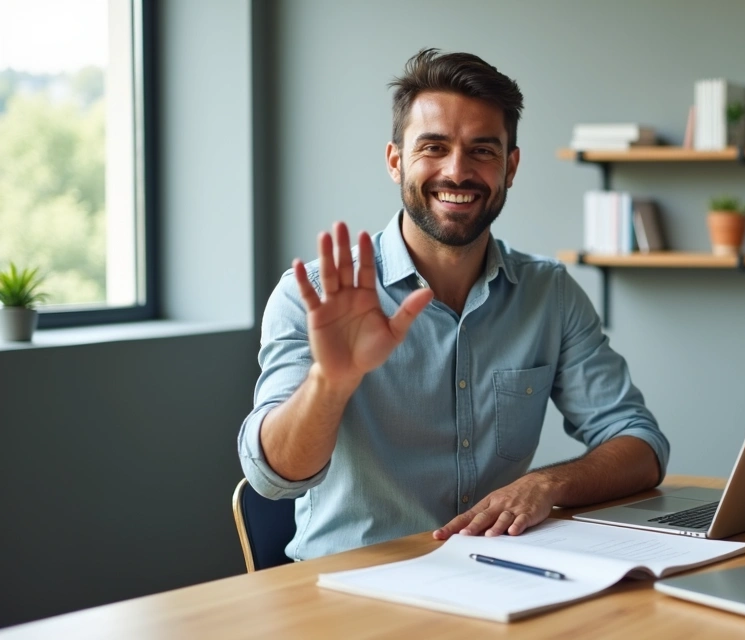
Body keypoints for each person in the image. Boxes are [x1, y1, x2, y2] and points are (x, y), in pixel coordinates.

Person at [237, 49, 669, 560]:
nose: (458, 171)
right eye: (434, 147)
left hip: (499, 578)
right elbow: (273, 478)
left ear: (510, 167)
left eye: (482, 151)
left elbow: (640, 443)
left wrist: (548, 484)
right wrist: (330, 383)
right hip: (352, 594)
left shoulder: (548, 294)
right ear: (396, 160)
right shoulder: (312, 294)